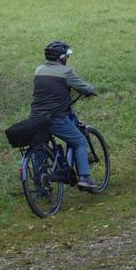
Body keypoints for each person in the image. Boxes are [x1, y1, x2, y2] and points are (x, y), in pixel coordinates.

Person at [30, 41, 97, 189]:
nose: (67, 58)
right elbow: (84, 88)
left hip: (36, 117)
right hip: (55, 118)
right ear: (62, 57)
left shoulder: (39, 70)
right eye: (66, 56)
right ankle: (85, 178)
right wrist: (91, 90)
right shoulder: (65, 72)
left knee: (40, 147)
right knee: (80, 142)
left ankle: (41, 184)